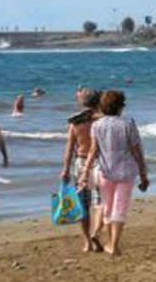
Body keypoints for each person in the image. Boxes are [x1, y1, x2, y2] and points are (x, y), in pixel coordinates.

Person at [79, 91, 148, 256]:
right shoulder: (128, 124)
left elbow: (93, 151)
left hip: (105, 171)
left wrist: (85, 173)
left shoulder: (97, 125)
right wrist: (143, 172)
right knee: (120, 208)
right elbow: (136, 150)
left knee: (108, 207)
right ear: (120, 107)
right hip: (125, 172)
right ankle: (114, 244)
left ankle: (110, 242)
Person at [60, 88, 103, 253]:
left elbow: (69, 148)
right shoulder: (102, 121)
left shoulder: (75, 123)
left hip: (81, 162)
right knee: (100, 202)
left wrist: (65, 169)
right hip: (99, 162)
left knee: (82, 203)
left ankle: (87, 241)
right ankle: (96, 233)